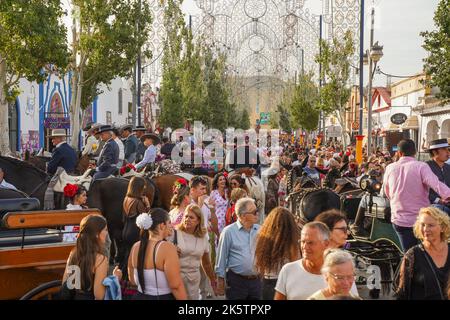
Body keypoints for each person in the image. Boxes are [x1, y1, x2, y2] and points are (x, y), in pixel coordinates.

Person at [383, 139, 450, 252]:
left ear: (399, 153)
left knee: (409, 255)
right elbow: (437, 185)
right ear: (415, 153)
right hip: (421, 221)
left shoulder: (390, 167)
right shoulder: (421, 166)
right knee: (428, 254)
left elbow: (387, 192)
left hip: (399, 220)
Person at [274, 222, 358, 300]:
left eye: (310, 243)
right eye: (303, 242)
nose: (305, 247)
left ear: (326, 244)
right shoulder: (288, 270)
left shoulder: (340, 273)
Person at [128, 208, 187, 299]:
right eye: (169, 222)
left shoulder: (135, 247)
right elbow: (176, 285)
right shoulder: (167, 248)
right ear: (162, 226)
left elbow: (132, 280)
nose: (171, 226)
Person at [62, 214, 122, 300]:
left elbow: (66, 284)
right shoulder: (100, 259)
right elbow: (99, 295)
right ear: (96, 234)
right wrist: (115, 279)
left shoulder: (74, 254)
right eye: (105, 230)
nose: (107, 233)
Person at [395, 207, 450, 300]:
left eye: (430, 225)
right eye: (422, 225)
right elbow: (402, 293)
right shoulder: (412, 255)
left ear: (442, 228)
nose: (425, 229)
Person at [215, 198, 261, 300]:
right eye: (254, 212)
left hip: (256, 282)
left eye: (257, 210)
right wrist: (220, 281)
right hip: (236, 282)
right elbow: (221, 258)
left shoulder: (260, 230)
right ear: (243, 215)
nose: (257, 214)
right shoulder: (228, 232)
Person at [255, 207, 300, 300]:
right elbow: (297, 265)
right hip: (284, 284)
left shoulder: (262, 238)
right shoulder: (291, 242)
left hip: (265, 283)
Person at [176, 204, 217, 299]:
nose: (187, 219)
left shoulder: (202, 238)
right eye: (186, 216)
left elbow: (206, 263)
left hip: (193, 281)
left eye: (191, 217)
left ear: (198, 221)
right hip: (176, 279)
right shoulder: (174, 234)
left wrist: (213, 280)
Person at [121, 176, 150, 277]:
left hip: (125, 231)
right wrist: (147, 205)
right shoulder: (138, 202)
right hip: (135, 232)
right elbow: (146, 219)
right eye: (143, 187)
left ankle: (122, 280)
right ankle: (130, 281)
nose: (144, 189)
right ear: (139, 188)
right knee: (134, 258)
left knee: (127, 256)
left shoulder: (126, 198)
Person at [351, 169, 390, 237]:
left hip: (390, 204)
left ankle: (356, 226)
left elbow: (384, 194)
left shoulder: (392, 170)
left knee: (365, 198)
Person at [426, 139, 450, 214]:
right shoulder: (425, 167)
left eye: (448, 149)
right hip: (433, 205)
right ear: (434, 152)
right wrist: (438, 200)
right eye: (444, 149)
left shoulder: (448, 167)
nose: (448, 152)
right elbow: (422, 190)